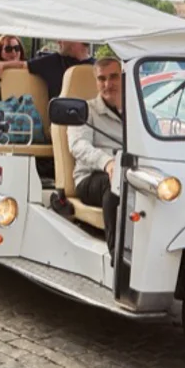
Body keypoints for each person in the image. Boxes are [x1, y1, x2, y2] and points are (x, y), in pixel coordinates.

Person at [67, 57, 124, 254]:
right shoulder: (84, 110)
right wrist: (107, 163)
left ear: (124, 78)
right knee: (116, 184)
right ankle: (118, 257)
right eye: (102, 79)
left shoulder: (138, 112)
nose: (108, 84)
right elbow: (78, 145)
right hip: (91, 178)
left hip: (131, 174)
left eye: (113, 77)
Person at [0, 40, 93, 99]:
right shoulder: (53, 61)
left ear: (76, 39)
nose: (58, 41)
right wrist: (1, 65)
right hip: (60, 122)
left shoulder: (96, 68)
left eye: (63, 36)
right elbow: (23, 65)